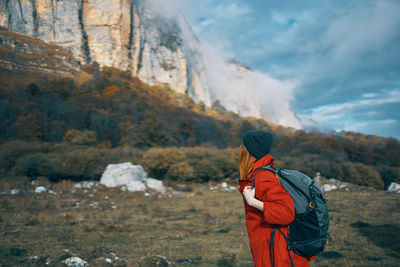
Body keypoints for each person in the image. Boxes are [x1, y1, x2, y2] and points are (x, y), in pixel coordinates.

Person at [238, 130, 311, 267]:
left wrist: (253, 202)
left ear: (251, 150)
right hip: (269, 247)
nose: (240, 149)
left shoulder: (263, 176)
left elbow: (286, 213)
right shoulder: (258, 174)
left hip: (276, 252)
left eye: (243, 146)